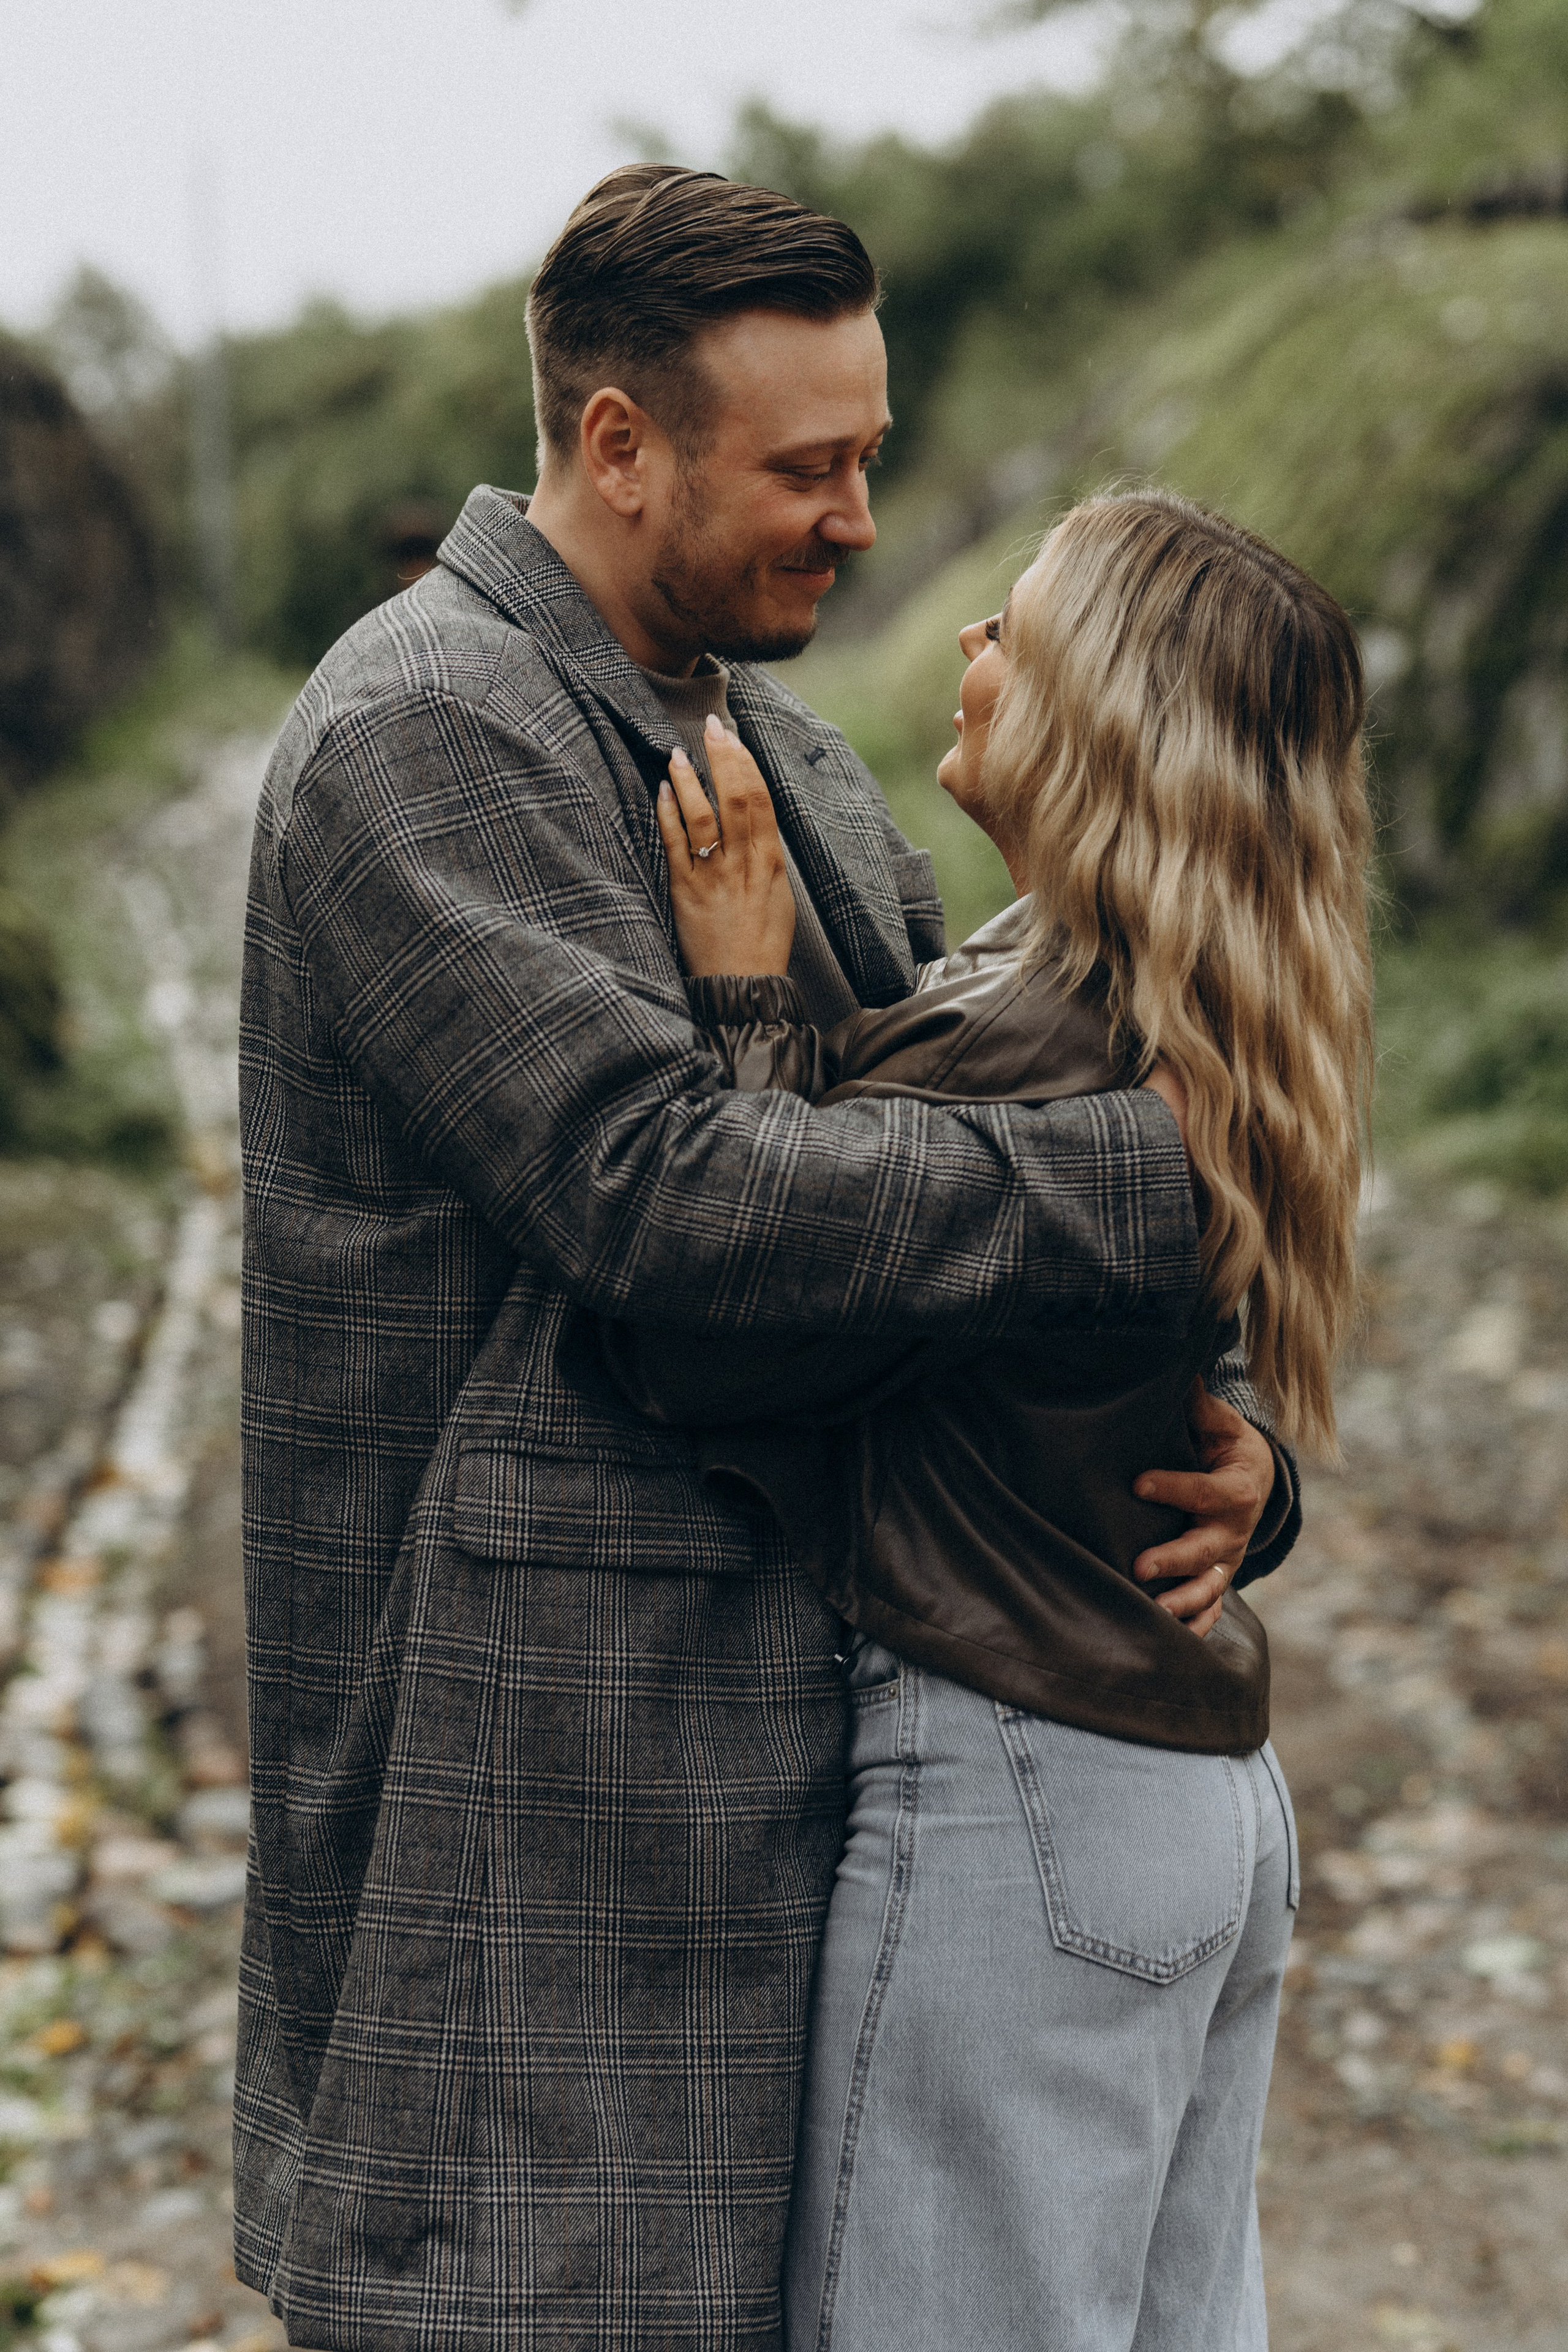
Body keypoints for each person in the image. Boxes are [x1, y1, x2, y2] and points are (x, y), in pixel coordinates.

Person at [236, 164, 1293, 2349]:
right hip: (542, 1825)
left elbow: (943, 1187)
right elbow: (665, 1203)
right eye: (805, 467)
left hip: (812, 1785)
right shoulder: (422, 730)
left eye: (871, 457)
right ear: (617, 446)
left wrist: (1240, 1455)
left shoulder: (790, 748)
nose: (862, 520)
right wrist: (1151, 1179)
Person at [624, 489, 1371, 2351]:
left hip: (1022, 1789)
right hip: (1194, 1801)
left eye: (1014, 629)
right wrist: (1259, 1479)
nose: (968, 644)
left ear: (1099, 722)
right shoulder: (1185, 1005)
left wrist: (738, 992)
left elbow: (748, 1304)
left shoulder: (1026, 1037)